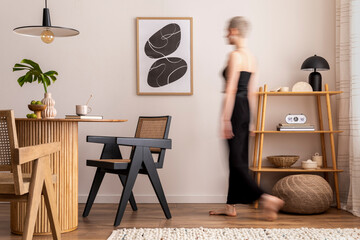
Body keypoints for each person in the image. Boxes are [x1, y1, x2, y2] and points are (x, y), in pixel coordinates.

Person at [209, 16, 284, 221]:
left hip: (235, 111)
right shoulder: (252, 57)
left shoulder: (234, 56)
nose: (226, 35)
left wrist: (225, 120)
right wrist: (251, 120)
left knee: (236, 162)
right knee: (239, 159)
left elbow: (232, 88)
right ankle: (230, 206)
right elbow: (252, 91)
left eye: (227, 31)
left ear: (234, 31)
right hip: (245, 111)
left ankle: (267, 197)